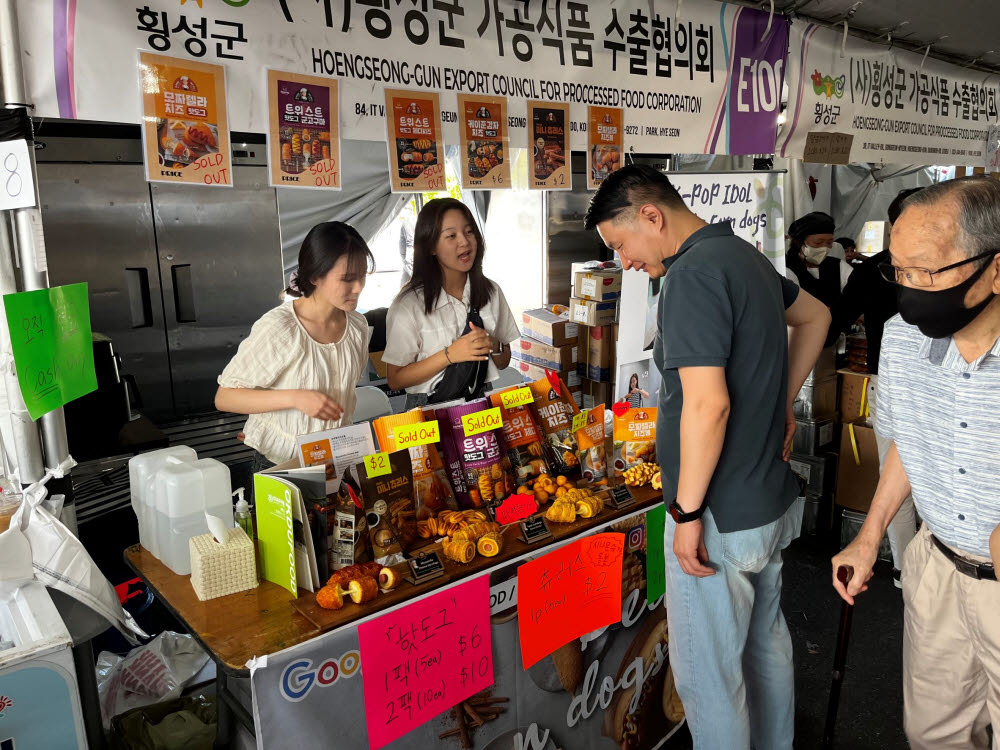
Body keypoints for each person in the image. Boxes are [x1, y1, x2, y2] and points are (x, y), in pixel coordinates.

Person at [585, 165, 830, 750]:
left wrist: (686, 514)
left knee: (709, 679)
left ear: (651, 215)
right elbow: (816, 316)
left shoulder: (691, 275)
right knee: (765, 650)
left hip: (720, 512)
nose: (624, 262)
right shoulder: (743, 257)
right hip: (767, 503)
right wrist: (781, 400)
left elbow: (707, 406)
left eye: (621, 245)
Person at [833, 177, 1000, 750]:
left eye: (926, 272)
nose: (909, 291)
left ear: (996, 269)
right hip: (936, 568)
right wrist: (869, 534)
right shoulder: (903, 338)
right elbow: (909, 439)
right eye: (897, 271)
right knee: (932, 735)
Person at [215, 222, 373, 468]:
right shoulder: (282, 327)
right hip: (281, 462)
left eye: (363, 275)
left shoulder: (357, 326)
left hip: (336, 459)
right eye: (348, 278)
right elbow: (225, 397)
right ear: (314, 276)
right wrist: (295, 398)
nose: (359, 287)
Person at [829, 187, 924, 584]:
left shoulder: (873, 270)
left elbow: (838, 316)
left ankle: (907, 567)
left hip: (887, 377)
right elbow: (838, 317)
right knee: (897, 476)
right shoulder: (877, 273)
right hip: (889, 378)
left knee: (899, 475)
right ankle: (908, 567)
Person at [383, 198, 519, 408]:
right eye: (451, 236)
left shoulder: (491, 291)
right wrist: (450, 355)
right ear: (431, 247)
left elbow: (504, 361)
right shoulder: (408, 305)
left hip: (480, 401)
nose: (464, 242)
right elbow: (396, 378)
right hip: (428, 407)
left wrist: (491, 343)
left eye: (469, 231)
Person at [785, 211, 852, 307]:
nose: (824, 248)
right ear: (799, 242)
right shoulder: (787, 268)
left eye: (829, 243)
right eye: (818, 243)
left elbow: (858, 292)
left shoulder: (838, 266)